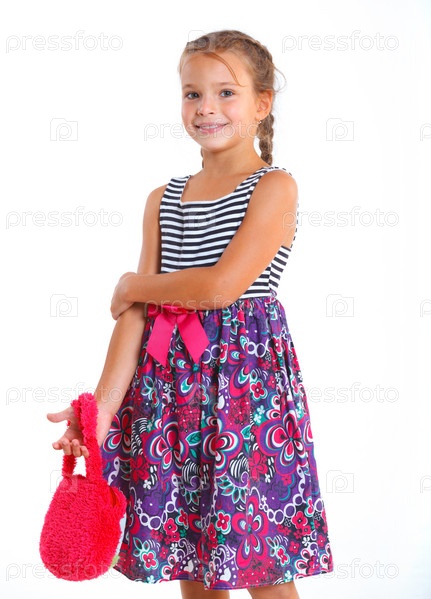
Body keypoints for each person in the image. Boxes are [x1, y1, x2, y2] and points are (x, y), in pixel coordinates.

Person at [48, 29, 333, 599]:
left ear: (262, 103)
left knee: (262, 560)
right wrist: (99, 413)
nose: (206, 107)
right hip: (166, 397)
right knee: (189, 558)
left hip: (246, 399)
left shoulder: (274, 187)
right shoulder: (163, 198)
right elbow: (134, 320)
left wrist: (134, 285)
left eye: (226, 93)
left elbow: (221, 288)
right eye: (192, 94)